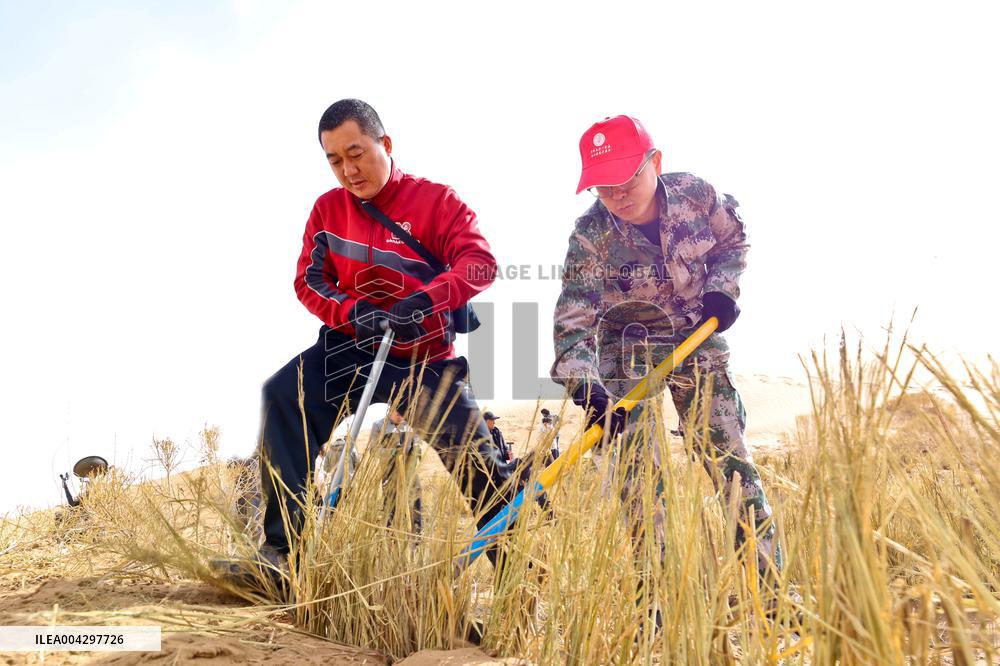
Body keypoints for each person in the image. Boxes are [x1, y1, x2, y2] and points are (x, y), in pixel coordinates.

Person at [220, 99, 518, 589]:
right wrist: (352, 312)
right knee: (282, 394)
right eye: (334, 160)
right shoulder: (327, 209)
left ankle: (521, 583)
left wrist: (424, 301)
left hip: (426, 360)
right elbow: (308, 282)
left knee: (480, 466)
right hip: (350, 347)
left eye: (356, 153)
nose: (347, 170)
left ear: (386, 144)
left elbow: (479, 263)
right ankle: (282, 556)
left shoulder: (438, 201)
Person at [550, 115, 782, 583]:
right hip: (626, 353)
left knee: (731, 462)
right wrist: (589, 390)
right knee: (637, 480)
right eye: (602, 186)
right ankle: (657, 603)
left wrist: (723, 289)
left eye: (628, 177)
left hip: (697, 339)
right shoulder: (589, 238)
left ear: (655, 162)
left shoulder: (697, 195)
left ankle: (772, 593)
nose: (617, 195)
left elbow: (733, 240)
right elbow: (573, 324)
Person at [369, 410, 423, 533]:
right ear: (390, 408)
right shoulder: (378, 425)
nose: (400, 415)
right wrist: (392, 452)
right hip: (389, 473)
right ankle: (392, 537)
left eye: (402, 411)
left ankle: (416, 538)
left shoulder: (410, 424)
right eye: (397, 412)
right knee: (390, 506)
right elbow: (374, 450)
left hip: (410, 471)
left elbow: (418, 443)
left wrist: (414, 450)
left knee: (415, 502)